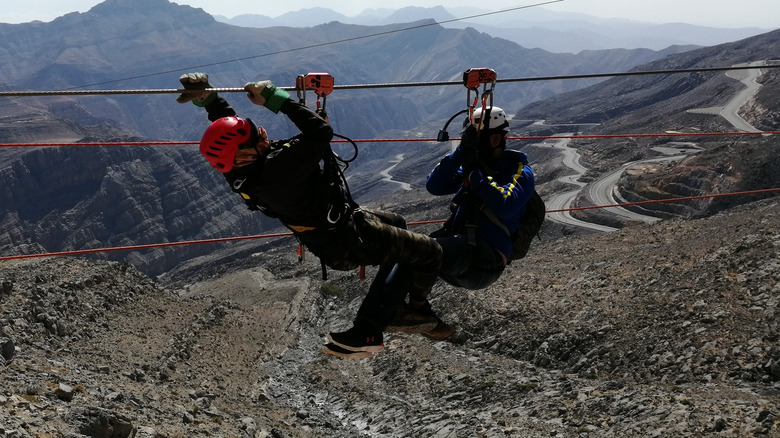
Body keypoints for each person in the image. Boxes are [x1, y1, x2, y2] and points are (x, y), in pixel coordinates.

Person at [176, 72, 444, 358]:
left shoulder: (240, 170)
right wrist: (277, 99)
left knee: (397, 224)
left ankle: (390, 306)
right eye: (257, 136)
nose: (263, 133)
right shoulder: (277, 171)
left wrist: (211, 101)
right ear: (245, 152)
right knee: (431, 251)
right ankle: (414, 311)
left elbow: (230, 133)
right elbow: (320, 133)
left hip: (335, 231)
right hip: (348, 240)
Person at [385, 105, 536, 339]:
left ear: (496, 138)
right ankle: (398, 315)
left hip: (485, 259)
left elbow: (505, 204)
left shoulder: (519, 170)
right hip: (465, 253)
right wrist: (460, 155)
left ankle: (415, 312)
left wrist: (475, 172)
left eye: (479, 140)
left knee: (421, 250)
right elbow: (434, 186)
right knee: (402, 249)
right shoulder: (474, 165)